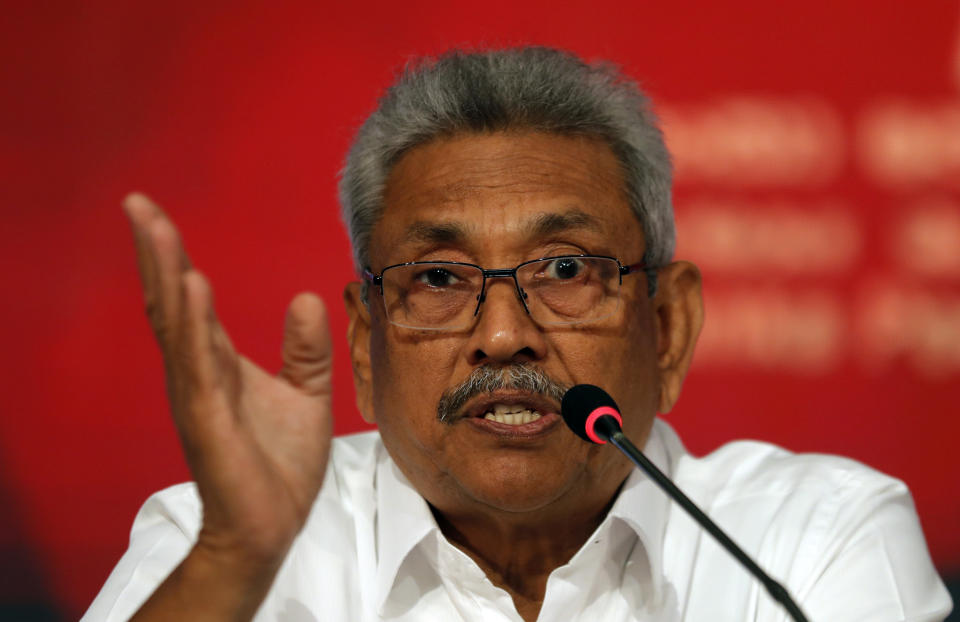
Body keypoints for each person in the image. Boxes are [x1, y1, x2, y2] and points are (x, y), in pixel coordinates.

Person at [83, 47, 951, 621]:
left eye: (566, 270)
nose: (503, 336)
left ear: (668, 327)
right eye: (437, 279)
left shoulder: (814, 537)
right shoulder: (225, 541)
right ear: (362, 346)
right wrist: (236, 561)